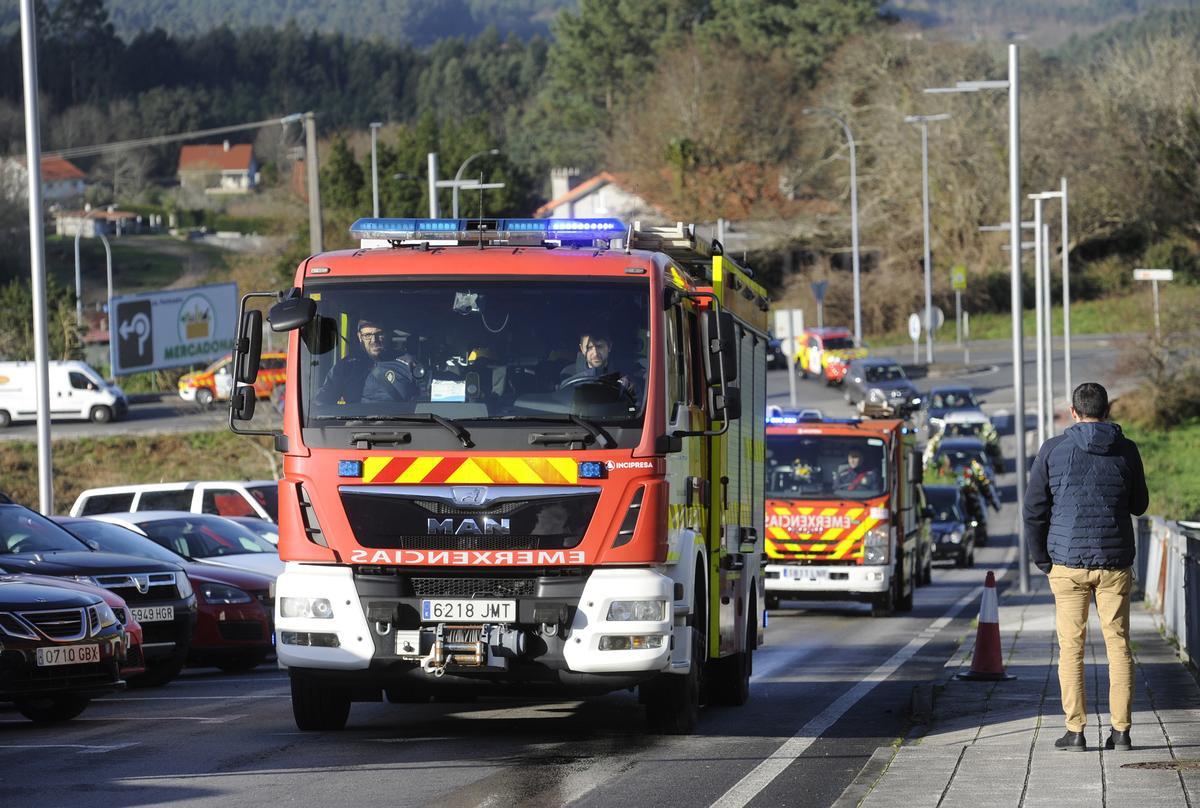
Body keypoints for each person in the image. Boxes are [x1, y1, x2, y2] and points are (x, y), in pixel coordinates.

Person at [1024, 382, 1149, 753]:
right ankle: (1121, 731)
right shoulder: (1126, 450)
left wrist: (1041, 559)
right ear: (1107, 411)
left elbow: (1034, 511)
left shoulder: (1053, 450)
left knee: (1071, 648)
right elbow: (1140, 505)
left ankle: (1075, 731)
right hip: (1114, 564)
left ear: (1073, 412)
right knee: (1118, 646)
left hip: (1066, 564)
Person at [315, 317, 419, 405]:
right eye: (367, 335)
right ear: (360, 337)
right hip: (356, 426)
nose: (374, 340)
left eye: (379, 334)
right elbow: (323, 401)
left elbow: (423, 400)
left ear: (388, 334)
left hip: (400, 425)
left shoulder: (407, 363)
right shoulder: (346, 367)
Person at [558, 328, 636, 397]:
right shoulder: (568, 376)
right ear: (582, 349)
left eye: (599, 346)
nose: (595, 353)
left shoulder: (625, 379)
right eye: (589, 347)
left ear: (610, 347)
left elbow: (635, 407)